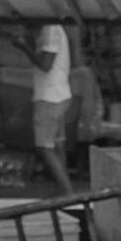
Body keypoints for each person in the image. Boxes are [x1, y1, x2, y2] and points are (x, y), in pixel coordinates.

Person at [28, 21, 74, 195]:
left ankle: (68, 193)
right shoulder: (52, 29)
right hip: (58, 94)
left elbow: (46, 64)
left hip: (49, 97)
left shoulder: (51, 28)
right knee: (56, 146)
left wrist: (24, 48)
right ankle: (62, 191)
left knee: (44, 147)